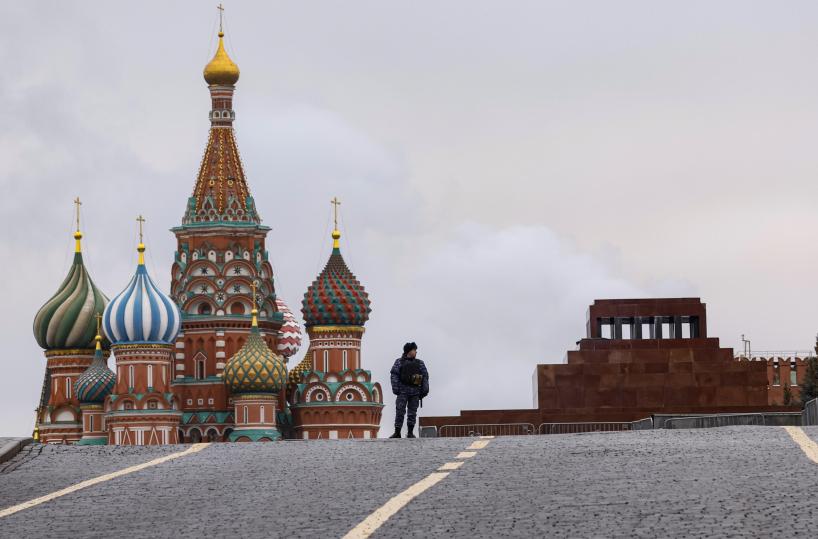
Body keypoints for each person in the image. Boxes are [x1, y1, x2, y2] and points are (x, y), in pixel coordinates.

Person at [389, 342, 429, 439]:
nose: (416, 352)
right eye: (414, 350)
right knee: (400, 411)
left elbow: (425, 376)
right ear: (409, 351)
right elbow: (394, 375)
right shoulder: (399, 362)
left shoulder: (420, 363)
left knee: (412, 413)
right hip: (402, 391)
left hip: (415, 391)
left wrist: (424, 390)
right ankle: (397, 432)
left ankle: (410, 432)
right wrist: (395, 388)